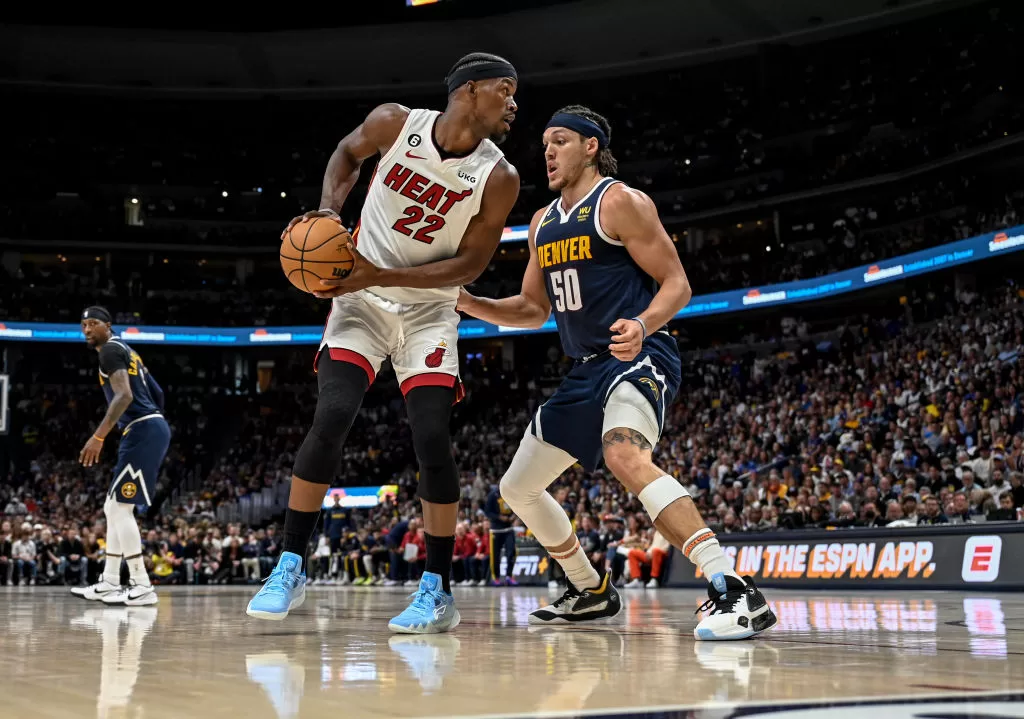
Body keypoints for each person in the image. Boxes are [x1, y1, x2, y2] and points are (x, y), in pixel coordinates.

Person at [458, 105, 776, 639]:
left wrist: (643, 324)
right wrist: (469, 303)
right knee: (517, 489)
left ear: (589, 146)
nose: (549, 152)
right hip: (585, 370)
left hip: (639, 354)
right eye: (544, 144)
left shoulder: (621, 202)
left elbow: (677, 284)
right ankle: (589, 589)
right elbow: (533, 310)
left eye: (559, 140)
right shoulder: (541, 222)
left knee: (625, 454)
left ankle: (732, 588)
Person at [245, 51, 520, 634]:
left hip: (428, 311)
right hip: (360, 303)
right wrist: (327, 216)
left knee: (430, 434)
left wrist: (379, 274)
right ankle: (290, 564)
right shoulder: (397, 123)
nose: (514, 103)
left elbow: (470, 262)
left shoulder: (499, 176)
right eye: (506, 90)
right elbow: (346, 154)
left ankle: (436, 588)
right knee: (333, 413)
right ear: (470, 90)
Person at [71, 307, 168, 606]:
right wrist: (153, 420)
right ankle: (110, 582)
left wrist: (98, 436)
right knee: (113, 506)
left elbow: (124, 396)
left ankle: (142, 584)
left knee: (120, 508)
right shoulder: (128, 349)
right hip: (147, 428)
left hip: (142, 430)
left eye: (93, 324)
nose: (87, 329)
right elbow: (158, 393)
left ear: (108, 326)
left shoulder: (109, 351)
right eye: (83, 324)